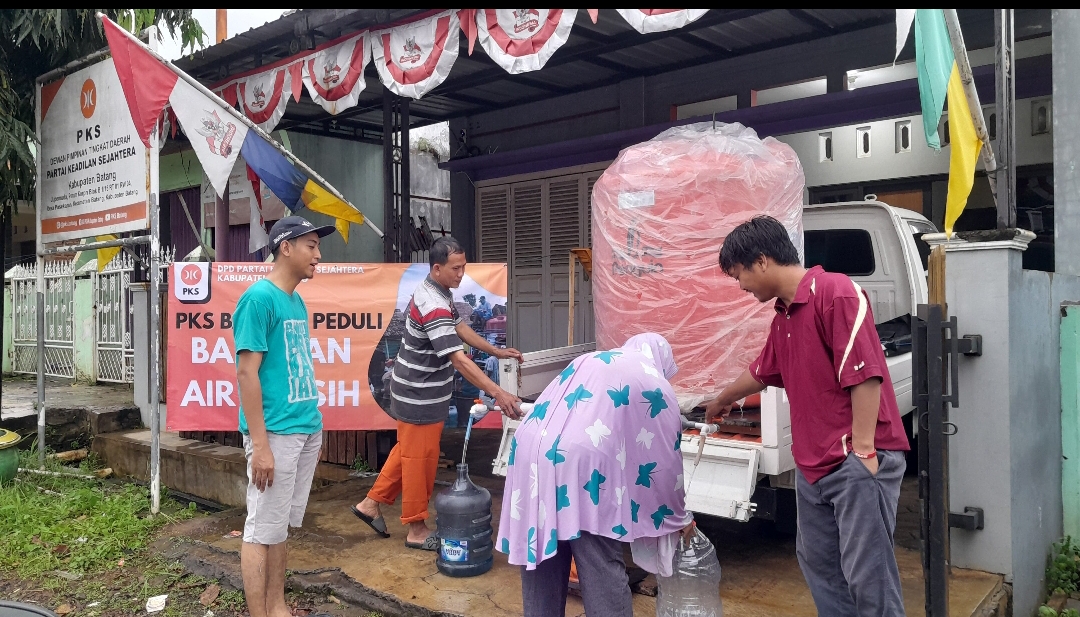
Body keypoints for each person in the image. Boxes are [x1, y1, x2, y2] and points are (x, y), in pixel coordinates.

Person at [705, 216, 910, 616]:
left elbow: (865, 373)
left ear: (761, 261)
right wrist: (721, 399)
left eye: (739, 275)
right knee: (820, 566)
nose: (741, 286)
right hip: (814, 467)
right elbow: (763, 371)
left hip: (854, 460)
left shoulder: (835, 292)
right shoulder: (783, 315)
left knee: (869, 576)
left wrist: (864, 452)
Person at [498, 333, 695, 617]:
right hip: (582, 465)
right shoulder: (654, 381)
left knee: (542, 558)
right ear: (662, 360)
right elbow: (665, 461)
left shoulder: (588, 359)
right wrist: (679, 516)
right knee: (600, 562)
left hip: (531, 452)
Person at [352, 236, 524, 550]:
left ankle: (370, 504)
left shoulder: (438, 291)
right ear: (437, 268)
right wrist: (499, 393)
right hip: (419, 395)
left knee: (407, 451)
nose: (461, 274)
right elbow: (458, 358)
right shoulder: (432, 303)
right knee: (421, 460)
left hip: (416, 389)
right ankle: (416, 529)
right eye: (456, 268)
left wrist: (496, 352)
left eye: (463, 268)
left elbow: (462, 329)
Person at [234, 216, 336, 617]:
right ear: (285, 247)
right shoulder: (258, 299)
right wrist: (260, 446)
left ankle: (277, 607)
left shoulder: (294, 299)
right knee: (261, 530)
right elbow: (246, 372)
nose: (318, 254)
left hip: (303, 428)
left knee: (278, 528)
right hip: (274, 434)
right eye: (310, 245)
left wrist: (314, 425)